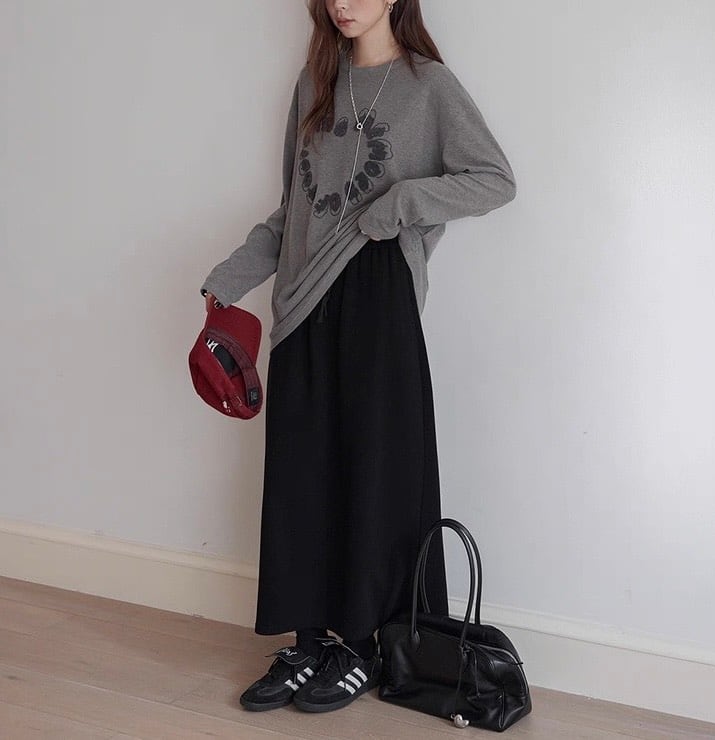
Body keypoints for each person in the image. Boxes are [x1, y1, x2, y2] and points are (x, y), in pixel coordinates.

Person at [201, 0, 516, 715]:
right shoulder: (314, 82)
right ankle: (311, 641)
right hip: (302, 303)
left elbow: (494, 178)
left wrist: (401, 202)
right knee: (302, 475)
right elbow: (293, 210)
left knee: (377, 473)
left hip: (378, 298)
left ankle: (368, 645)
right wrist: (228, 278)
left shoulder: (429, 86)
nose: (341, 3)